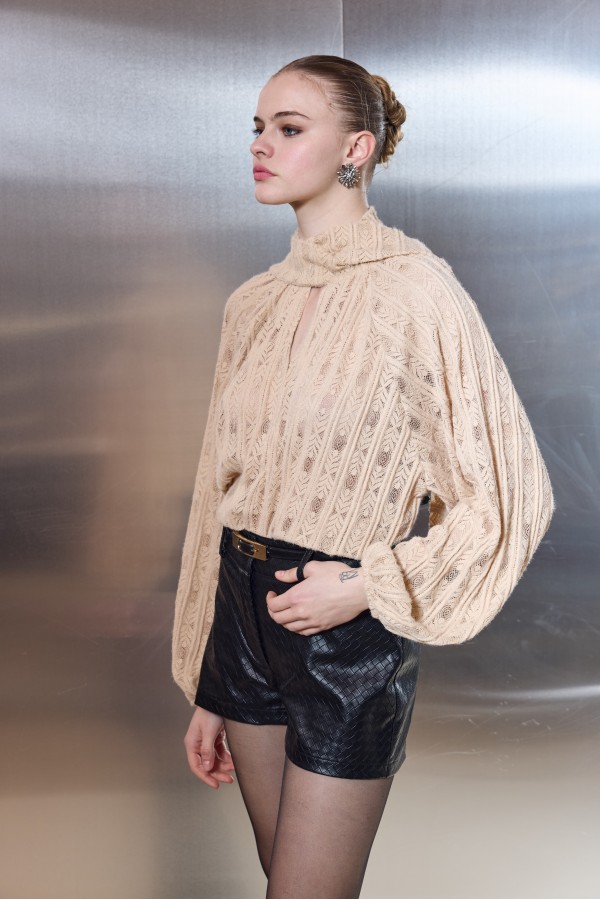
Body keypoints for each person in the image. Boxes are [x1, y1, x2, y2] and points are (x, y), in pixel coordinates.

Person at [172, 55, 554, 898]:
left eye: (289, 128)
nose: (261, 145)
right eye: (258, 128)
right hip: (239, 618)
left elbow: (512, 497)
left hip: (341, 628)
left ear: (357, 148)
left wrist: (367, 586)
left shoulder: (417, 293)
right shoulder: (253, 303)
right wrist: (209, 676)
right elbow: (215, 492)